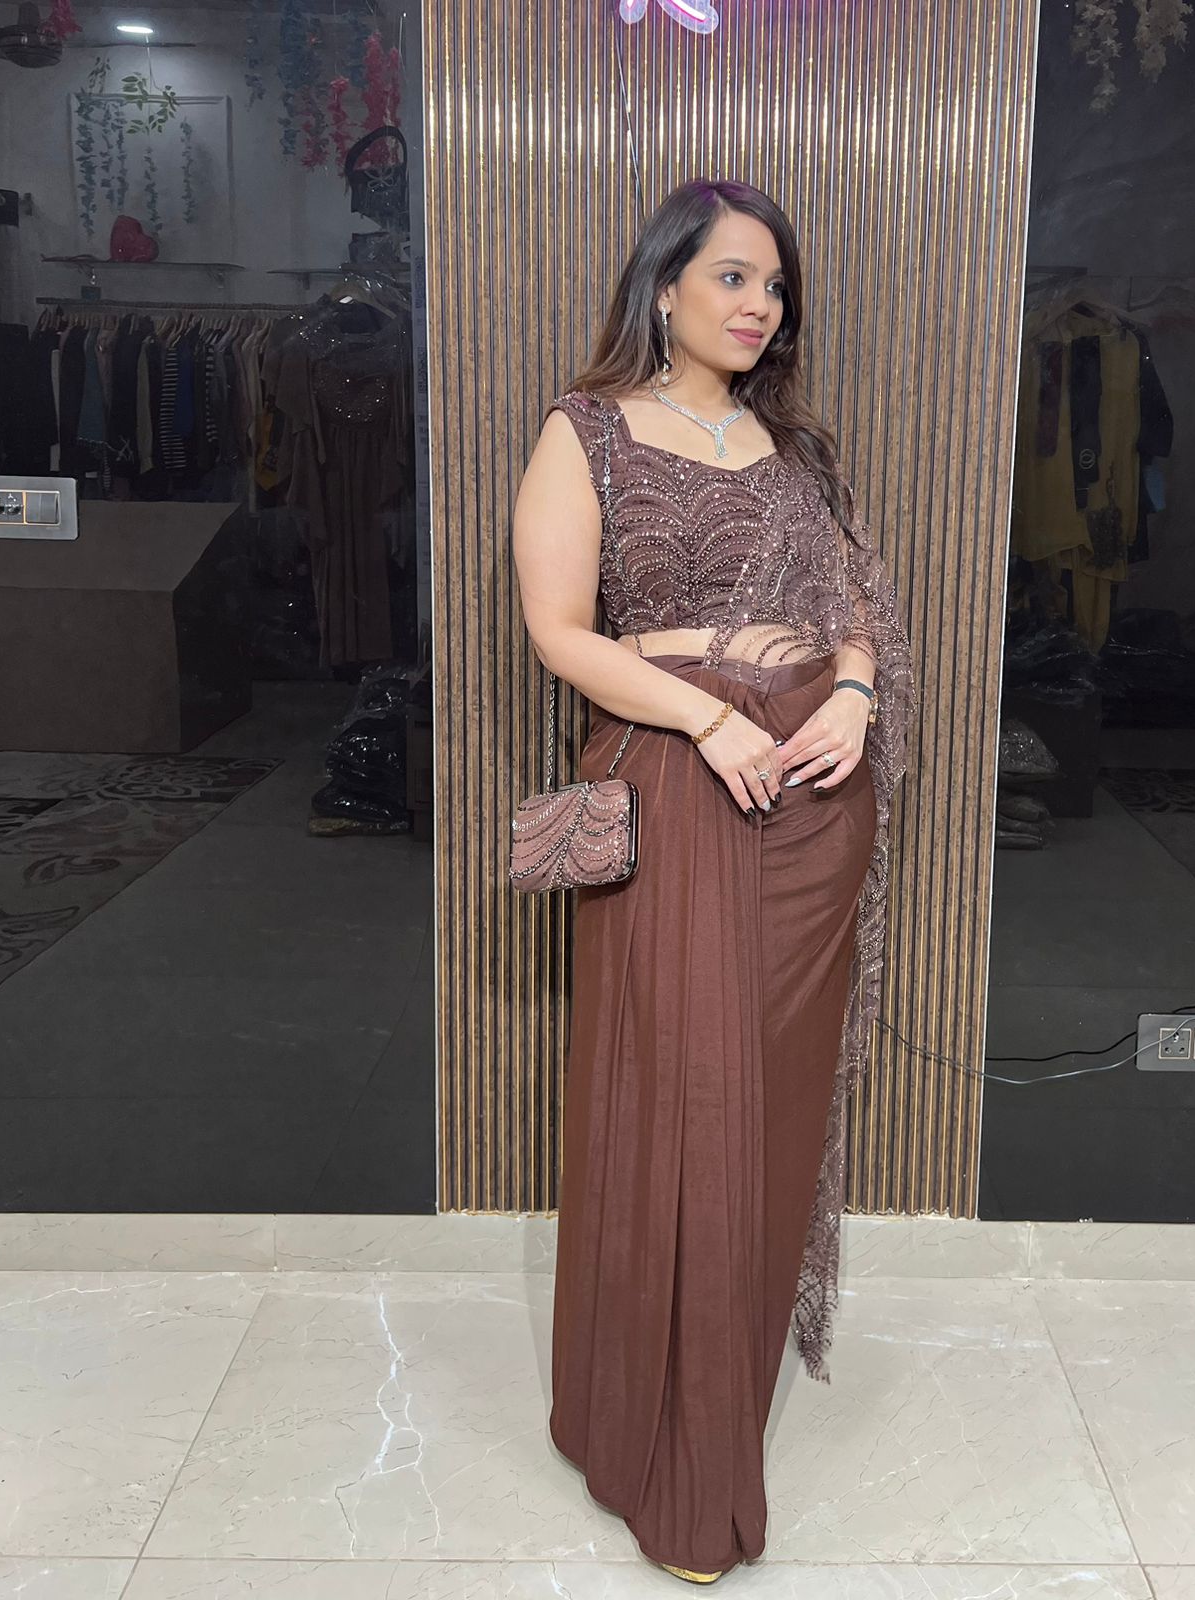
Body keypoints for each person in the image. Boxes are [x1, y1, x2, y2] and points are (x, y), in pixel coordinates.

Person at [511, 177, 916, 1583]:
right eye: (733, 277)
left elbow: (854, 606)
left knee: (774, 1113)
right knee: (682, 1105)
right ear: (666, 283)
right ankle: (662, 1454)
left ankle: (720, 1414)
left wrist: (854, 692)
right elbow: (560, 630)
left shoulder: (793, 447)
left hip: (814, 808)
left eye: (775, 286)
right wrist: (708, 719)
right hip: (683, 784)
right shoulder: (587, 431)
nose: (759, 306)